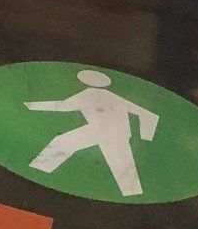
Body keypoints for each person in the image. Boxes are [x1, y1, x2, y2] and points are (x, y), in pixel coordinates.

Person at [26, 70, 159, 199]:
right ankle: (37, 171)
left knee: (64, 142)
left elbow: (63, 106)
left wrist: (33, 106)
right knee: (63, 142)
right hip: (107, 131)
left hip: (109, 132)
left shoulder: (88, 94)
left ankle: (39, 168)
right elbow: (148, 115)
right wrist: (145, 136)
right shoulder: (109, 96)